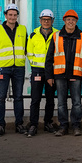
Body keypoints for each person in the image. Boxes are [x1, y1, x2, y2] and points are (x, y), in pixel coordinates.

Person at [45, 9, 82, 137]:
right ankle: (63, 126)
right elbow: (49, 58)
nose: (71, 22)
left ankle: (76, 126)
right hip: (60, 75)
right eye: (68, 19)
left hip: (76, 75)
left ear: (76, 21)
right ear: (64, 21)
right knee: (61, 103)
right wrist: (49, 76)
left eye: (73, 20)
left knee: (77, 103)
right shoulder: (56, 36)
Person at [0, 3, 27, 137]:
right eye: (10, 15)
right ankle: (0, 125)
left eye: (15, 15)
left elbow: (25, 48)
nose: (12, 17)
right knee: (0, 97)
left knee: (18, 97)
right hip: (2, 69)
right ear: (5, 15)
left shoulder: (23, 30)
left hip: (19, 68)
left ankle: (19, 124)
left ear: (17, 16)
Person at [26, 9, 58, 137]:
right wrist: (35, 65)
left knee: (50, 99)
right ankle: (33, 124)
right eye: (44, 19)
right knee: (35, 99)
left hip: (52, 72)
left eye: (48, 20)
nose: (46, 22)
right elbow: (29, 53)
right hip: (37, 71)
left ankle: (48, 123)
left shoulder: (57, 34)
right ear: (40, 20)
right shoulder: (33, 35)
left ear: (52, 21)